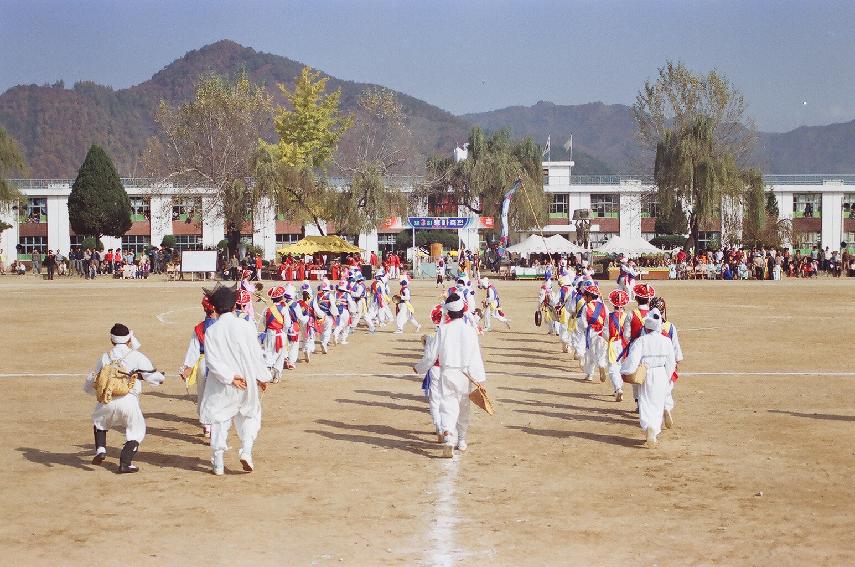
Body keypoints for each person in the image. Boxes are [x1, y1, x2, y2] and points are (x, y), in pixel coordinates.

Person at [199, 286, 273, 475]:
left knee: (219, 419)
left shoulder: (212, 331)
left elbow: (212, 361)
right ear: (234, 305)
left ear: (214, 307)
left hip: (222, 383)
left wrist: (230, 377)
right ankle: (246, 451)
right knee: (249, 415)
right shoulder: (245, 326)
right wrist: (262, 376)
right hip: (246, 379)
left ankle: (218, 462)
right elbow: (256, 353)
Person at [84, 323, 165, 472]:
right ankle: (125, 463)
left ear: (112, 340)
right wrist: (159, 378)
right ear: (129, 339)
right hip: (129, 400)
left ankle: (101, 449)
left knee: (100, 422)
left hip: (107, 399)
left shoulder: (105, 356)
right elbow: (155, 378)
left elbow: (92, 379)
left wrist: (91, 392)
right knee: (136, 430)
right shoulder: (136, 355)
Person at [415, 293, 487, 458]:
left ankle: (448, 435)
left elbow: (432, 355)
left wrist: (420, 368)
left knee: (447, 404)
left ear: (448, 312)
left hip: (447, 371)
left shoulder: (443, 330)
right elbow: (476, 357)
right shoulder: (470, 330)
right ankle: (461, 440)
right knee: (463, 407)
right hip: (465, 374)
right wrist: (480, 380)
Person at [620, 309, 676, 447]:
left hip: (646, 372)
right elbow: (671, 362)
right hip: (661, 373)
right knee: (658, 403)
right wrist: (667, 377)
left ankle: (649, 427)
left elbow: (632, 360)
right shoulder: (666, 341)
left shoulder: (641, 341)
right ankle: (655, 429)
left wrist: (625, 371)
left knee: (645, 402)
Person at [179, 296, 219, 437]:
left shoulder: (200, 327)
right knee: (218, 394)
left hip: (203, 362)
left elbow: (193, 349)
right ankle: (215, 423)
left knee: (202, 393)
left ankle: (206, 424)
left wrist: (187, 368)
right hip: (220, 363)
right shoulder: (224, 325)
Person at [605, 289, 630, 402]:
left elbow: (605, 332)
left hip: (613, 343)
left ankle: (618, 388)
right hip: (624, 344)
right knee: (621, 367)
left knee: (613, 367)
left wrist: (609, 339)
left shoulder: (609, 316)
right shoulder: (627, 316)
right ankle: (618, 387)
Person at [262, 285, 291, 381]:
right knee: (280, 354)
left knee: (268, 352)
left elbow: (264, 322)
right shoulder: (284, 309)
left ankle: (268, 370)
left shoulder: (267, 309)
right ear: (281, 297)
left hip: (269, 334)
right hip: (280, 334)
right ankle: (276, 375)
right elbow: (287, 323)